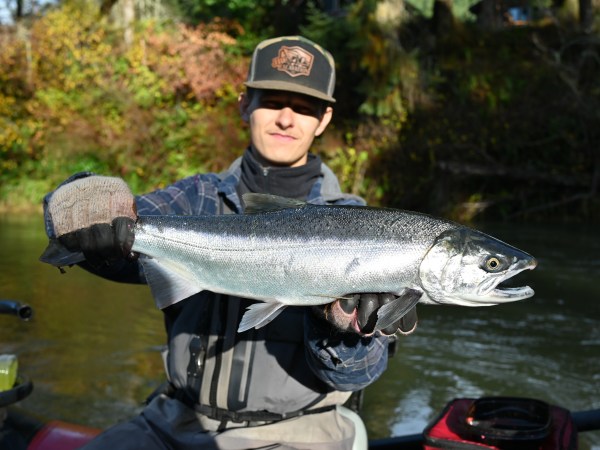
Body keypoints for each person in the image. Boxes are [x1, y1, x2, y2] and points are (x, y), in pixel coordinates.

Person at [42, 36, 418, 450]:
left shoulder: (373, 234)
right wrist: (78, 198)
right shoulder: (197, 198)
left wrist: (343, 331)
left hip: (301, 432)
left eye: (304, 108)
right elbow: (111, 246)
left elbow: (354, 376)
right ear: (245, 104)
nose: (286, 119)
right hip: (174, 422)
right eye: (272, 101)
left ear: (324, 120)